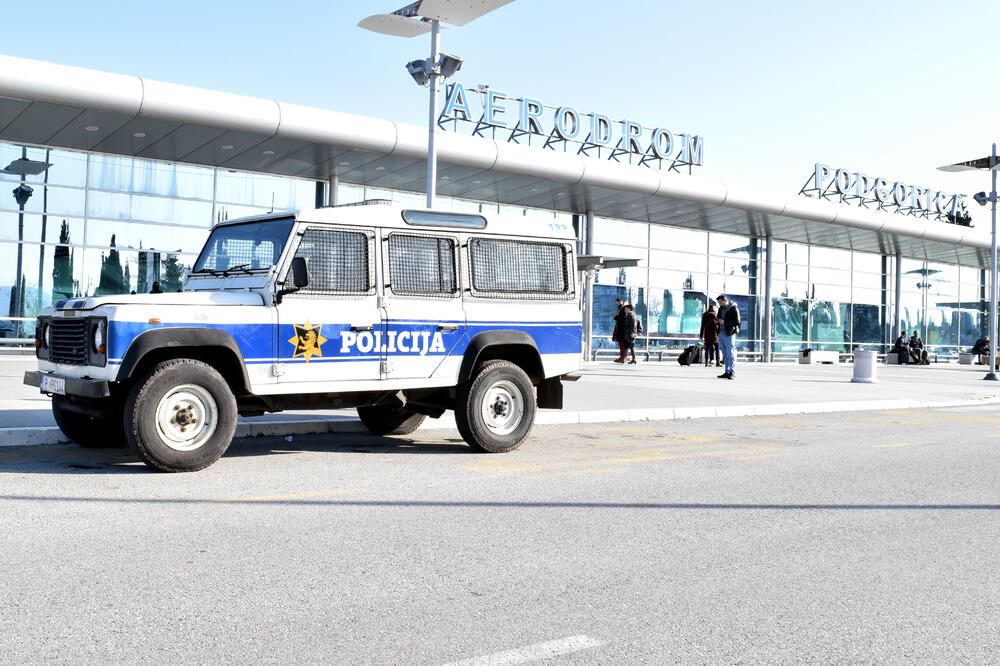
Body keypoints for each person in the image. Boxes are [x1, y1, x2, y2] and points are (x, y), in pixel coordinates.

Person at [715, 294, 740, 380]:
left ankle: (732, 372)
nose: (719, 304)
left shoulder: (733, 308)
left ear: (725, 301)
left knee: (730, 352)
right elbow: (719, 317)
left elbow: (737, 321)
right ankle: (727, 371)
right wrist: (717, 320)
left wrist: (724, 322)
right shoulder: (720, 308)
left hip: (729, 333)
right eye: (718, 302)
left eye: (721, 302)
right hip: (721, 332)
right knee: (725, 353)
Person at [611, 297, 627, 363]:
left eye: (618, 304)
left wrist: (616, 317)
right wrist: (616, 317)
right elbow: (620, 318)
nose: (617, 305)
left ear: (621, 302)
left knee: (623, 344)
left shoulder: (623, 309)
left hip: (622, 330)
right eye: (616, 304)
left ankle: (624, 357)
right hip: (621, 330)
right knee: (621, 344)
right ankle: (622, 357)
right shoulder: (621, 309)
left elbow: (622, 319)